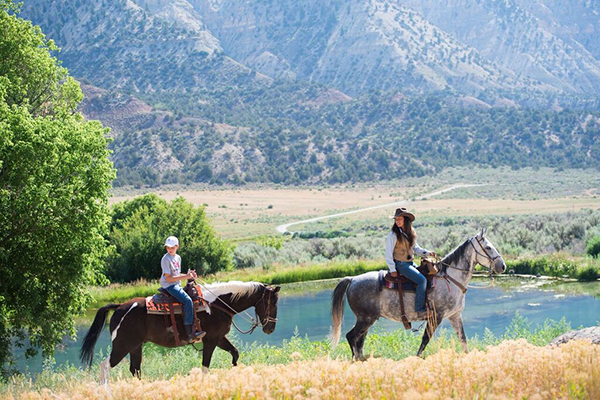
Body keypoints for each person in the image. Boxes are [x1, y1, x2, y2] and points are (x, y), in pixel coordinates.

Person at [385, 208, 436, 314]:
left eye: (400, 219)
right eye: (396, 219)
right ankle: (419, 309)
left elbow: (416, 248)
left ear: (406, 220)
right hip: (401, 264)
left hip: (410, 263)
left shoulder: (410, 232)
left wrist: (427, 253)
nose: (397, 221)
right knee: (422, 281)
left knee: (426, 276)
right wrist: (392, 269)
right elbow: (388, 253)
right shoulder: (393, 235)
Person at [160, 236, 205, 342]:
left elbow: (176, 274)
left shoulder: (178, 258)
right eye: (167, 247)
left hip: (177, 284)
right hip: (169, 285)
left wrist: (189, 275)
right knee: (188, 301)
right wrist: (186, 277)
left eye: (171, 247)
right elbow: (168, 278)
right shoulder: (165, 259)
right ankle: (190, 334)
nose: (169, 249)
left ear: (177, 246)